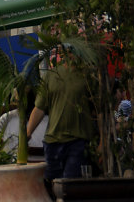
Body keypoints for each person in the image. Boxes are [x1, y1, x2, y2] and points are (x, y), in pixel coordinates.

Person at [26, 52, 96, 181]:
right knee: (52, 187)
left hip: (78, 141)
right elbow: (39, 108)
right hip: (52, 142)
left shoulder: (88, 75)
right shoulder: (51, 76)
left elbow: (99, 109)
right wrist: (28, 132)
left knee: (71, 187)